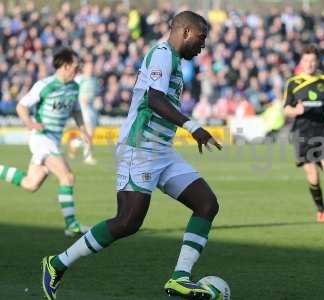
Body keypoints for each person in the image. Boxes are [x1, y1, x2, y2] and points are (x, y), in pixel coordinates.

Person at [42, 11, 221, 300]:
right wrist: (192, 126)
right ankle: (57, 263)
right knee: (127, 221)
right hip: (140, 148)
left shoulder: (174, 61)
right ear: (186, 32)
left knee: (206, 204)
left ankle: (179, 277)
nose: (203, 46)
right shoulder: (162, 53)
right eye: (201, 38)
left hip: (162, 151)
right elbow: (154, 98)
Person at [0, 47, 90, 236]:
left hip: (53, 140)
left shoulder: (74, 87)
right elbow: (21, 106)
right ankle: (71, 225)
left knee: (30, 184)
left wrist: (83, 131)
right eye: (76, 65)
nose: (78, 68)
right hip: (41, 139)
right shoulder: (45, 85)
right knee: (67, 177)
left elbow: (76, 111)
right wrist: (29, 123)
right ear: (65, 66)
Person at [283, 44, 324, 223]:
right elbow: (286, 109)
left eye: (313, 60)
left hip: (322, 134)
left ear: (317, 62)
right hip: (301, 134)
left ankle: (319, 160)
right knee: (313, 175)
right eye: (306, 60)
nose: (309, 64)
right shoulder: (293, 83)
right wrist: (296, 111)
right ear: (302, 61)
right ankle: (321, 210)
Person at [74, 61, 98, 165]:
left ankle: (76, 142)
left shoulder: (94, 79)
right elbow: (73, 89)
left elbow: (94, 93)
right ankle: (87, 156)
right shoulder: (80, 79)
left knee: (90, 133)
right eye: (89, 67)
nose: (91, 69)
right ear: (84, 69)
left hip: (91, 107)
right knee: (88, 131)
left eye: (92, 67)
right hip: (82, 107)